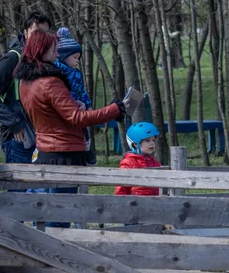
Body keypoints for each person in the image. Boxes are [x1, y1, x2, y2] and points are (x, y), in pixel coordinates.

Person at [15, 30, 137, 169]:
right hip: (64, 154)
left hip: (46, 151)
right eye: (54, 50)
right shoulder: (50, 83)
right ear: (41, 51)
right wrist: (115, 109)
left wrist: (73, 103)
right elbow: (77, 118)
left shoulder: (25, 81)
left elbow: (48, 112)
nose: (57, 55)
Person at [0, 10, 53, 164]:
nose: (40, 37)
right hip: (19, 139)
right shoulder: (14, 58)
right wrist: (14, 123)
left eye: (45, 33)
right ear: (25, 33)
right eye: (35, 33)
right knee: (20, 181)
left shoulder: (46, 59)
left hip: (41, 137)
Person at [54, 27, 96, 165]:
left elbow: (82, 90)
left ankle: (87, 149)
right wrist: (75, 101)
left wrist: (87, 104)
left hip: (79, 107)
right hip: (69, 108)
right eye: (75, 57)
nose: (77, 61)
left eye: (78, 58)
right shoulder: (58, 72)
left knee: (84, 129)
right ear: (63, 56)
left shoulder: (76, 73)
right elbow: (63, 92)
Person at [115, 122, 163, 196]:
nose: (152, 143)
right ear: (135, 144)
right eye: (147, 140)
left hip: (156, 202)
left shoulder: (156, 164)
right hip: (135, 202)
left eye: (153, 140)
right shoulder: (128, 163)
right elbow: (121, 189)